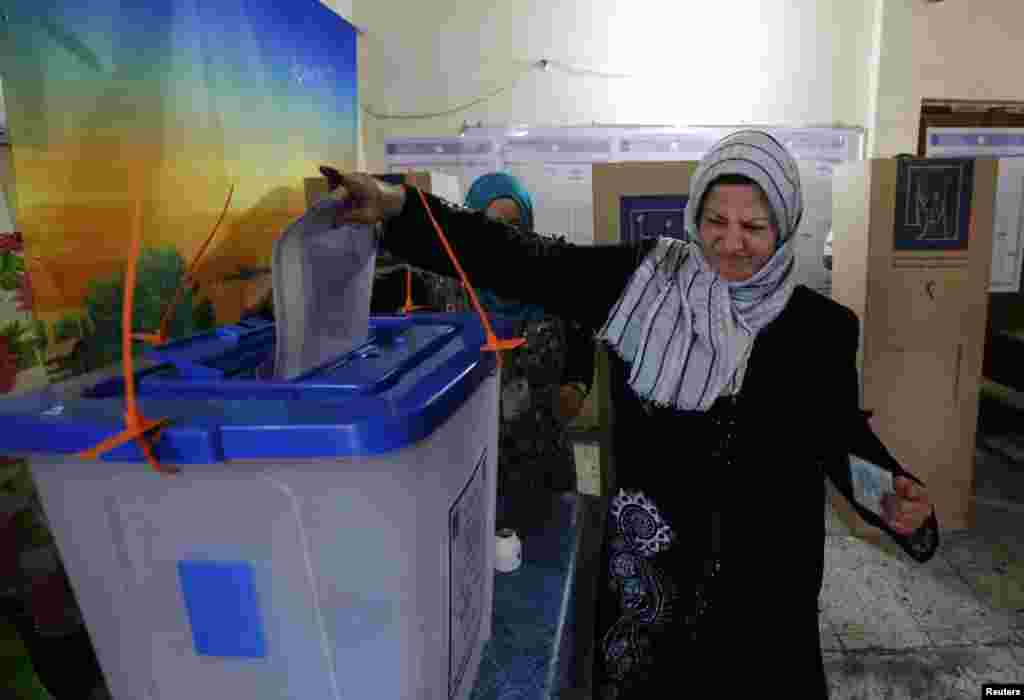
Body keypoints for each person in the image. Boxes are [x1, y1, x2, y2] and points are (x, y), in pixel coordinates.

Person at [317, 129, 939, 699]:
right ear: (695, 215)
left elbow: (840, 440)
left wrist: (894, 499)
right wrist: (398, 209)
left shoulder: (818, 331)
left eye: (755, 226)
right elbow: (520, 256)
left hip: (766, 600)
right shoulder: (645, 284)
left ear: (787, 226)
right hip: (652, 594)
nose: (731, 243)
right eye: (715, 221)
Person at [458, 172, 595, 501]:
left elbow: (581, 343)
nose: (505, 233)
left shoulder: (554, 279)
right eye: (492, 223)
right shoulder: (452, 287)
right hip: (472, 463)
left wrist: (575, 388)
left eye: (515, 223)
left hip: (546, 460)